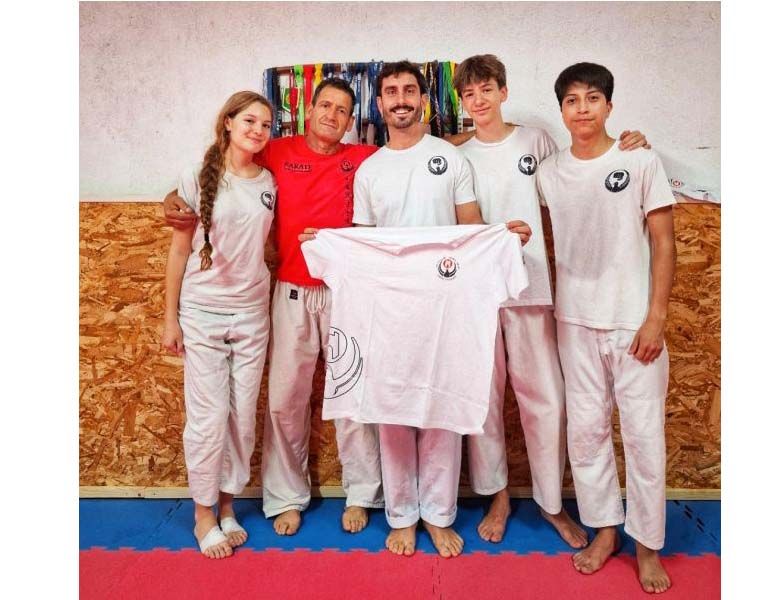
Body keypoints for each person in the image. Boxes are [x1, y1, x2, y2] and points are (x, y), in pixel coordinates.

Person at [163, 79, 384, 537]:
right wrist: (170, 197)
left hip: (346, 293)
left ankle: (362, 494)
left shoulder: (364, 158)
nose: (332, 115)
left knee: (351, 397)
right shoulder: (275, 153)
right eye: (325, 105)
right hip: (288, 292)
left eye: (342, 110)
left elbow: (415, 147)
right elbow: (217, 169)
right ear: (310, 110)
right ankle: (286, 497)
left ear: (350, 121)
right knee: (284, 401)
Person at [452, 54, 650, 546]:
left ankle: (550, 503)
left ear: (503, 91)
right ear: (462, 102)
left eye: (487, 89)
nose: (479, 100)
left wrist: (630, 146)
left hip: (532, 287)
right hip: (478, 294)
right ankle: (497, 496)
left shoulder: (535, 142)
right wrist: (450, 141)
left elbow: (580, 170)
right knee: (484, 402)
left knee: (547, 401)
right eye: (469, 94)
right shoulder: (456, 154)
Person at [345, 60, 531, 559]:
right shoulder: (370, 170)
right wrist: (328, 243)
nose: (400, 99)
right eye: (391, 92)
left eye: (410, 90)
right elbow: (364, 244)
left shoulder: (448, 159)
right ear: (379, 104)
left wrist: (500, 238)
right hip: (390, 311)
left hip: (446, 306)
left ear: (423, 100)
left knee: (440, 410)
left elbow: (470, 226)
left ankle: (438, 514)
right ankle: (402, 515)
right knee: (392, 412)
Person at [536, 62, 675, 594]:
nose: (583, 109)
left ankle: (648, 544)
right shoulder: (549, 172)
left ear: (609, 106)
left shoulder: (639, 159)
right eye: (572, 100)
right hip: (575, 319)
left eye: (592, 98)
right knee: (588, 434)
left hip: (633, 322)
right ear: (561, 111)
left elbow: (663, 241)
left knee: (643, 436)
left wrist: (656, 316)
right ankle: (605, 530)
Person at [161, 91, 276, 558]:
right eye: (250, 121)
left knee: (241, 417)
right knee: (208, 419)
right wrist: (169, 319)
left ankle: (228, 505)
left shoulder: (269, 180)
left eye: (266, 124)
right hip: (203, 311)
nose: (258, 130)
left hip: (252, 312)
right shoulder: (196, 176)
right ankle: (203, 514)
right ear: (228, 122)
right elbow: (179, 250)